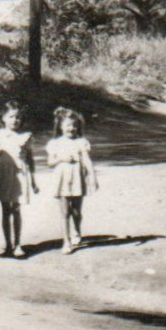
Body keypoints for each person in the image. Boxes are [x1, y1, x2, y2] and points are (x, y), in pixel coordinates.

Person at [0, 100, 38, 257]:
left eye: (18, 117)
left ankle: (18, 244)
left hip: (19, 175)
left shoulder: (25, 137)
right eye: (11, 116)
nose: (15, 120)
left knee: (16, 209)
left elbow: (30, 159)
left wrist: (33, 181)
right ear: (3, 118)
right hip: (3, 175)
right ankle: (8, 244)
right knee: (5, 210)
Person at [46, 106, 99, 253]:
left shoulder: (81, 142)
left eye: (75, 125)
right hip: (62, 180)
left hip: (77, 180)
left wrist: (93, 177)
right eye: (68, 125)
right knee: (64, 212)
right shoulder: (55, 143)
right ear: (60, 126)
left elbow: (87, 161)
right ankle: (66, 241)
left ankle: (77, 230)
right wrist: (61, 159)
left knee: (76, 211)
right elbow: (50, 163)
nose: (72, 128)